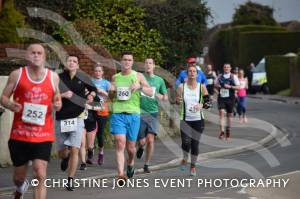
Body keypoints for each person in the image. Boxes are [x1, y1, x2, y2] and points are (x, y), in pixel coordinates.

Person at [0, 43, 62, 199]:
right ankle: (20, 188)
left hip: (43, 135)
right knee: (18, 178)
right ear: (26, 56)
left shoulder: (53, 77)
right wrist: (9, 104)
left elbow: (57, 98)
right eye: (32, 52)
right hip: (19, 135)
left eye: (39, 53)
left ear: (44, 57)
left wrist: (57, 104)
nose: (36, 55)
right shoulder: (17, 75)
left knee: (40, 173)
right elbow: (4, 97)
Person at [55, 55, 97, 191]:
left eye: (74, 61)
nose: (72, 63)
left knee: (75, 148)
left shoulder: (83, 77)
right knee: (62, 152)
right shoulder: (58, 77)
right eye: (69, 61)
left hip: (78, 117)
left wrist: (91, 96)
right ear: (65, 63)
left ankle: (70, 179)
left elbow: (93, 90)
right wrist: (62, 95)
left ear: (78, 65)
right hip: (61, 117)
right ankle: (64, 158)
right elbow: (50, 94)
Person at [109, 51, 152, 181]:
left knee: (131, 148)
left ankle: (131, 162)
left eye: (129, 60)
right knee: (120, 142)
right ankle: (120, 174)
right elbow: (111, 97)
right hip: (118, 114)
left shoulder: (138, 76)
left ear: (132, 62)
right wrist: (112, 91)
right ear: (120, 62)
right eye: (124, 59)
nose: (127, 62)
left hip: (133, 115)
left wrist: (139, 87)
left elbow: (150, 92)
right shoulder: (115, 77)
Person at [176, 64, 211, 176]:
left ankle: (193, 166)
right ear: (187, 74)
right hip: (185, 119)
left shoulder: (202, 87)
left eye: (194, 71)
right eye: (190, 71)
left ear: (197, 74)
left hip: (198, 120)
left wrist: (201, 105)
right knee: (186, 143)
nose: (192, 73)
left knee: (195, 144)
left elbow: (208, 103)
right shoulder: (181, 87)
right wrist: (178, 100)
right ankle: (185, 158)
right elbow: (176, 101)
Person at [136, 58, 168, 173]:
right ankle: (140, 147)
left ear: (154, 66)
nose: (148, 65)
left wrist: (160, 96)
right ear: (144, 66)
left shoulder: (159, 80)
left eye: (150, 63)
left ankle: (146, 164)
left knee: (150, 140)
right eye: (146, 63)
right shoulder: (139, 78)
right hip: (139, 112)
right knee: (142, 141)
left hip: (153, 113)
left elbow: (165, 97)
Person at [92, 63, 111, 165]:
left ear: (102, 72)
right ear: (94, 72)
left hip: (103, 111)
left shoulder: (106, 83)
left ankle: (101, 152)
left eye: (100, 71)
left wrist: (102, 92)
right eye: (96, 71)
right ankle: (90, 152)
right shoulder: (90, 82)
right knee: (90, 133)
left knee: (99, 134)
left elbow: (110, 96)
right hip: (91, 110)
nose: (98, 73)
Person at [215, 64, 240, 140]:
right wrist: (218, 87)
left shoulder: (233, 76)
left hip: (230, 98)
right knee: (221, 113)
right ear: (223, 68)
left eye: (228, 67)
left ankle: (228, 130)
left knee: (229, 115)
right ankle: (222, 131)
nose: (226, 68)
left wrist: (231, 87)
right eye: (225, 67)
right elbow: (215, 85)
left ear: (230, 68)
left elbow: (238, 87)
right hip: (221, 98)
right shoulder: (219, 76)